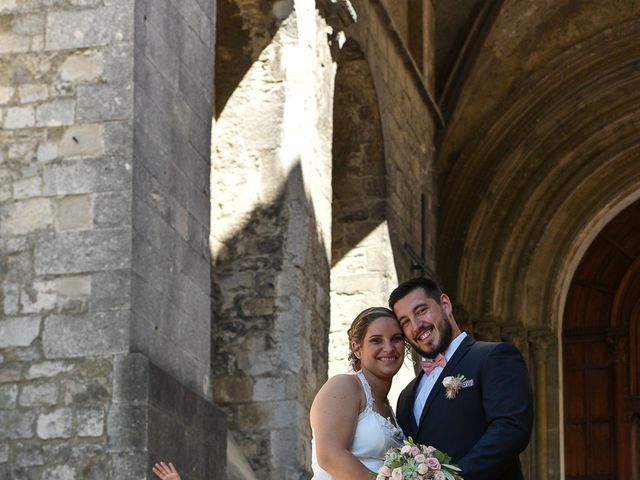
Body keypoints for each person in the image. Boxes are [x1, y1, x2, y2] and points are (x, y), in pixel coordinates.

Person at [389, 277, 533, 480]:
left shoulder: (493, 357)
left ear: (445, 304)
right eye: (405, 322)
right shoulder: (406, 396)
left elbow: (511, 429)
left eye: (421, 311)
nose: (416, 325)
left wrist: (453, 478)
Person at [310, 306, 405, 479]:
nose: (389, 348)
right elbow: (330, 456)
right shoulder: (344, 385)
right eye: (376, 340)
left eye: (396, 339)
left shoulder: (388, 407)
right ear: (356, 348)